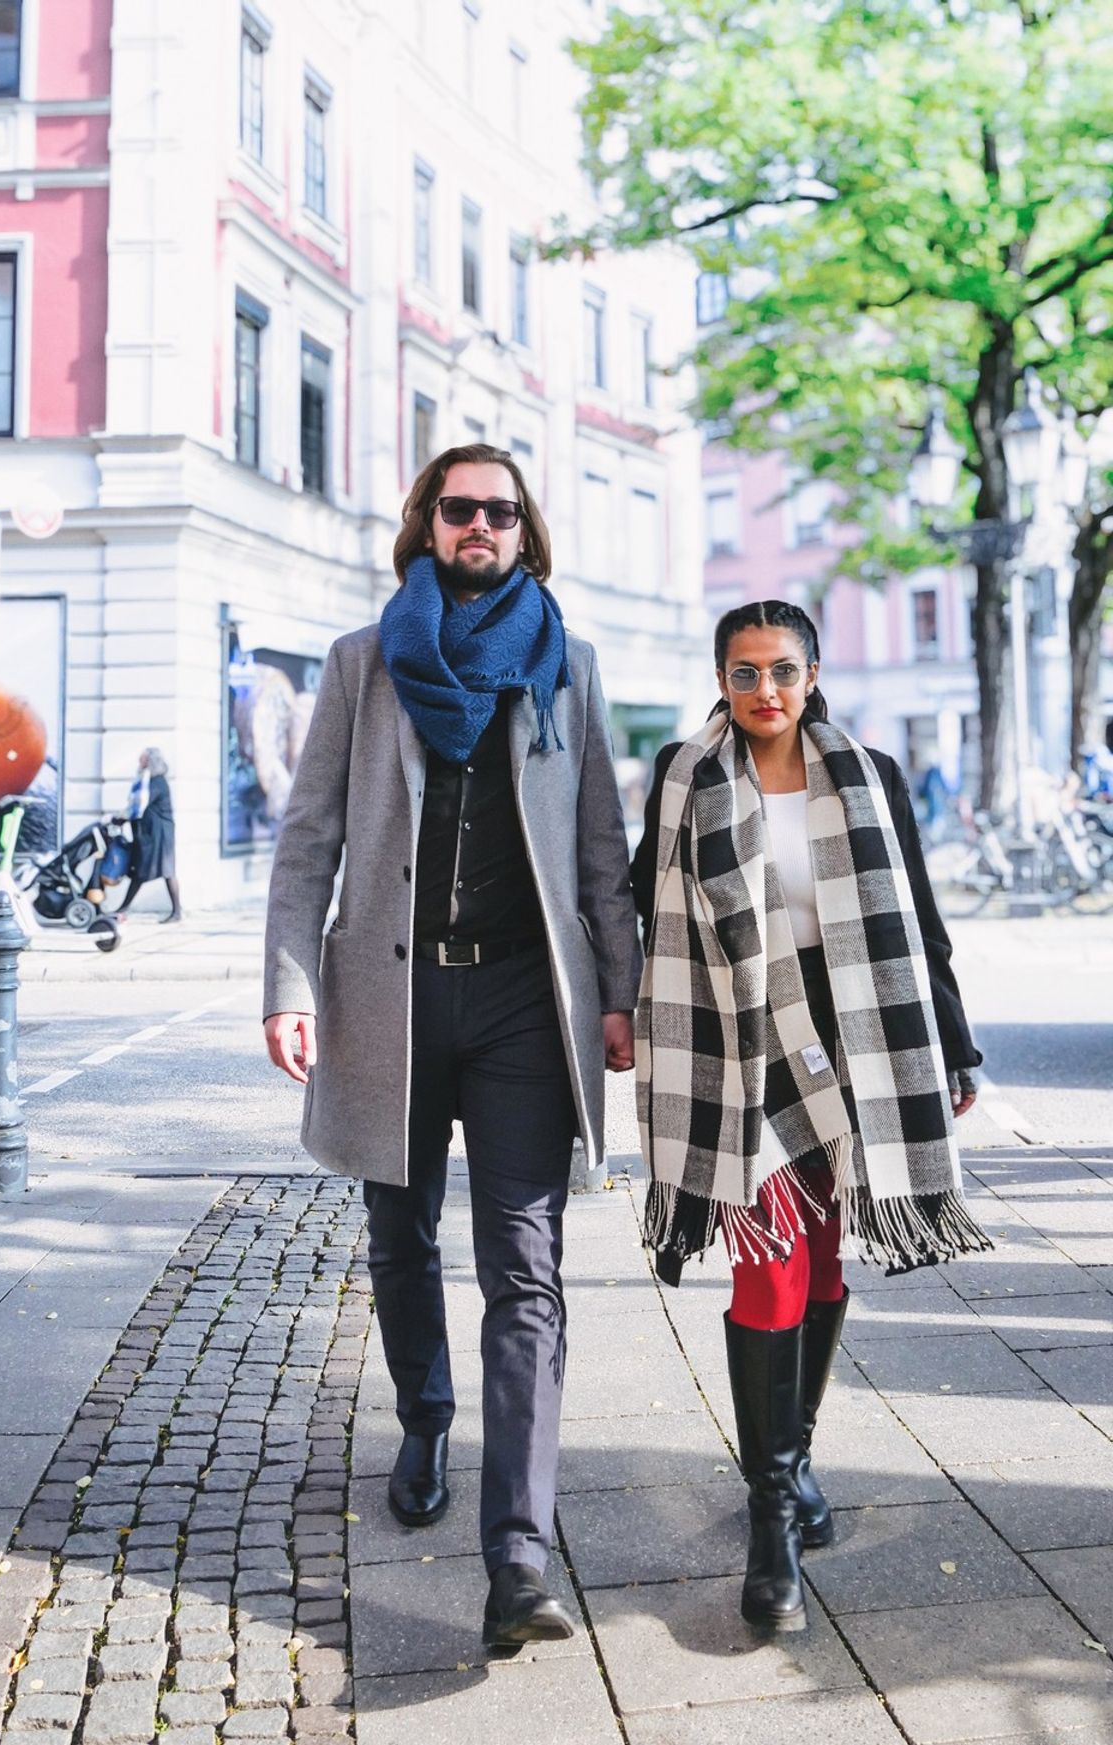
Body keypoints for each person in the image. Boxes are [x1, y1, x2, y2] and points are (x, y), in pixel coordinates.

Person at [263, 444, 641, 1647]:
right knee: (401, 1232)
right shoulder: (363, 662)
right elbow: (308, 838)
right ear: (426, 521)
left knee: (526, 1268)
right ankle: (425, 1416)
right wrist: (288, 985)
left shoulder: (567, 663)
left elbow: (602, 848)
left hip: (526, 999)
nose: (480, 524)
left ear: (525, 530)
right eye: (459, 506)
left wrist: (621, 990)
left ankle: (519, 1555)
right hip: (393, 995)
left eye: (500, 510)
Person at [631, 600, 989, 1635]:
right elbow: (643, 900)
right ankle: (772, 1518)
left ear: (813, 672)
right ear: (721, 678)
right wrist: (631, 1011)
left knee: (826, 1264)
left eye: (782, 670)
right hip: (741, 1043)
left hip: (860, 1041)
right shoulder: (684, 774)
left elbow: (918, 918)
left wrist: (952, 1043)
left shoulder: (869, 773)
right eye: (744, 672)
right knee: (771, 1264)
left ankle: (790, 1460)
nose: (765, 691)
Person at [115, 747, 181, 922]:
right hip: (153, 834)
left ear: (150, 762)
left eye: (142, 759)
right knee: (146, 871)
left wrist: (122, 817)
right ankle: (124, 907)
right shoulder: (150, 781)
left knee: (158, 871)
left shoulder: (156, 783)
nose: (139, 762)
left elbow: (138, 806)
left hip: (159, 835)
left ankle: (176, 912)